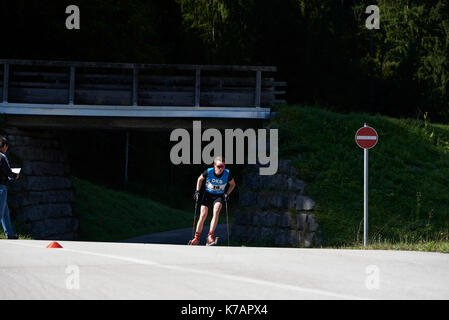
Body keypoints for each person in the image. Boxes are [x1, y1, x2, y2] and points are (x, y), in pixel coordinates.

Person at [189, 156, 236, 245]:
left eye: (223, 166)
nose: (221, 168)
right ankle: (196, 238)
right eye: (219, 166)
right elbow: (200, 179)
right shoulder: (209, 171)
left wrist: (227, 194)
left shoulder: (227, 174)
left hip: (219, 195)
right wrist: (197, 191)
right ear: (214, 165)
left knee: (217, 210)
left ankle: (210, 236)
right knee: (203, 214)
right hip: (208, 194)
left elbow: (233, 184)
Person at [0, 137, 19, 239]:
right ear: (4, 146)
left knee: (5, 212)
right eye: (6, 146)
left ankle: (10, 233)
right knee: (0, 211)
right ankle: (9, 233)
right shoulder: (2, 157)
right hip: (1, 188)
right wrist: (15, 175)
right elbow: (7, 171)